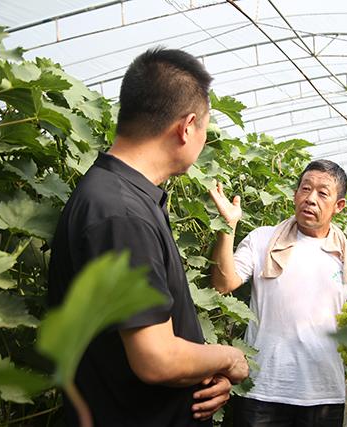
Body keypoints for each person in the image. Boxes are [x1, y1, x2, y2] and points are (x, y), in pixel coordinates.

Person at [48, 48, 249, 427]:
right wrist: (228, 358)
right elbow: (156, 359)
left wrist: (202, 374)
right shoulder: (121, 214)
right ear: (187, 127)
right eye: (206, 127)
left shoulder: (118, 196)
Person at [209, 159, 347, 427]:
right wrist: (227, 228)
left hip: (322, 394)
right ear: (295, 194)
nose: (311, 199)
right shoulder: (262, 239)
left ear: (339, 206)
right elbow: (223, 283)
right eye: (305, 189)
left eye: (323, 193)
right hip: (261, 388)